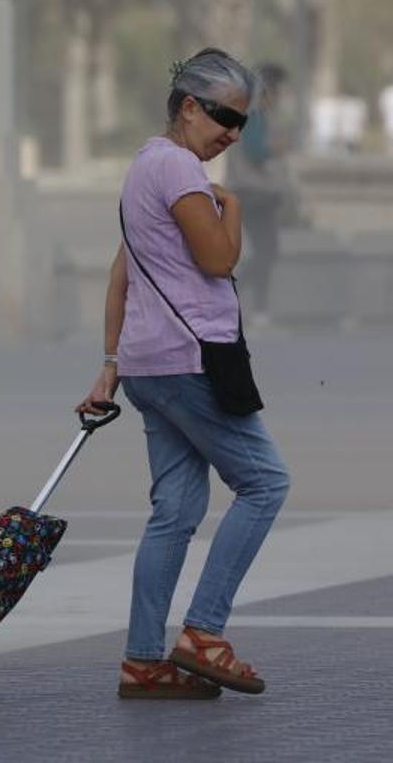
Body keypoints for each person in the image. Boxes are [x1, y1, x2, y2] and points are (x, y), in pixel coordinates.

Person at [77, 48, 290, 698]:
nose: (232, 131)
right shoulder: (181, 172)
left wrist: (110, 366)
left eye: (243, 123)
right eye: (224, 116)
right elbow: (221, 259)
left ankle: (144, 661)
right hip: (193, 361)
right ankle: (204, 633)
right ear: (189, 106)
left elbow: (121, 278)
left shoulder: (144, 167)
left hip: (148, 365)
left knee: (176, 509)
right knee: (264, 482)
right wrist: (235, 205)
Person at [226, 63, 293, 316]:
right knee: (267, 251)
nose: (280, 98)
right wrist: (277, 148)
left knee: (267, 251)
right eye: (278, 92)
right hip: (252, 194)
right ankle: (238, 304)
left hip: (255, 194)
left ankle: (247, 306)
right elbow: (255, 152)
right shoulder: (253, 117)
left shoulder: (254, 115)